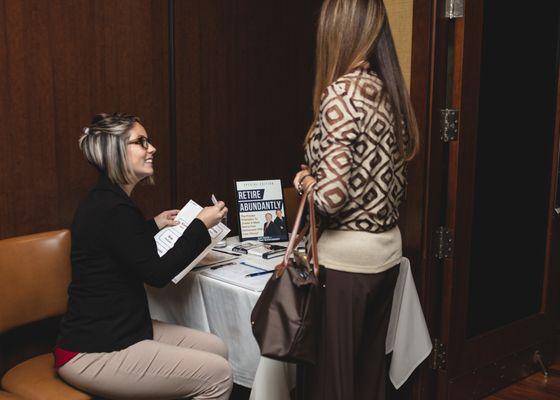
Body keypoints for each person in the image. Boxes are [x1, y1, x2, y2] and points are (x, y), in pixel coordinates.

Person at [56, 113, 233, 400]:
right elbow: (157, 274)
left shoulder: (109, 201)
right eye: (141, 142)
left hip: (123, 330)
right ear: (115, 152)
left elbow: (122, 246)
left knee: (217, 349)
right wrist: (200, 225)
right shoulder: (114, 209)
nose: (152, 148)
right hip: (92, 350)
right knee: (219, 375)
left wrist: (152, 225)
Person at [292, 0, 419, 398]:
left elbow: (330, 197)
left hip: (346, 263)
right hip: (385, 254)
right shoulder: (390, 91)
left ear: (337, 31)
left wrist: (304, 181)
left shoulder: (342, 94)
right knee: (366, 381)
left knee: (332, 385)